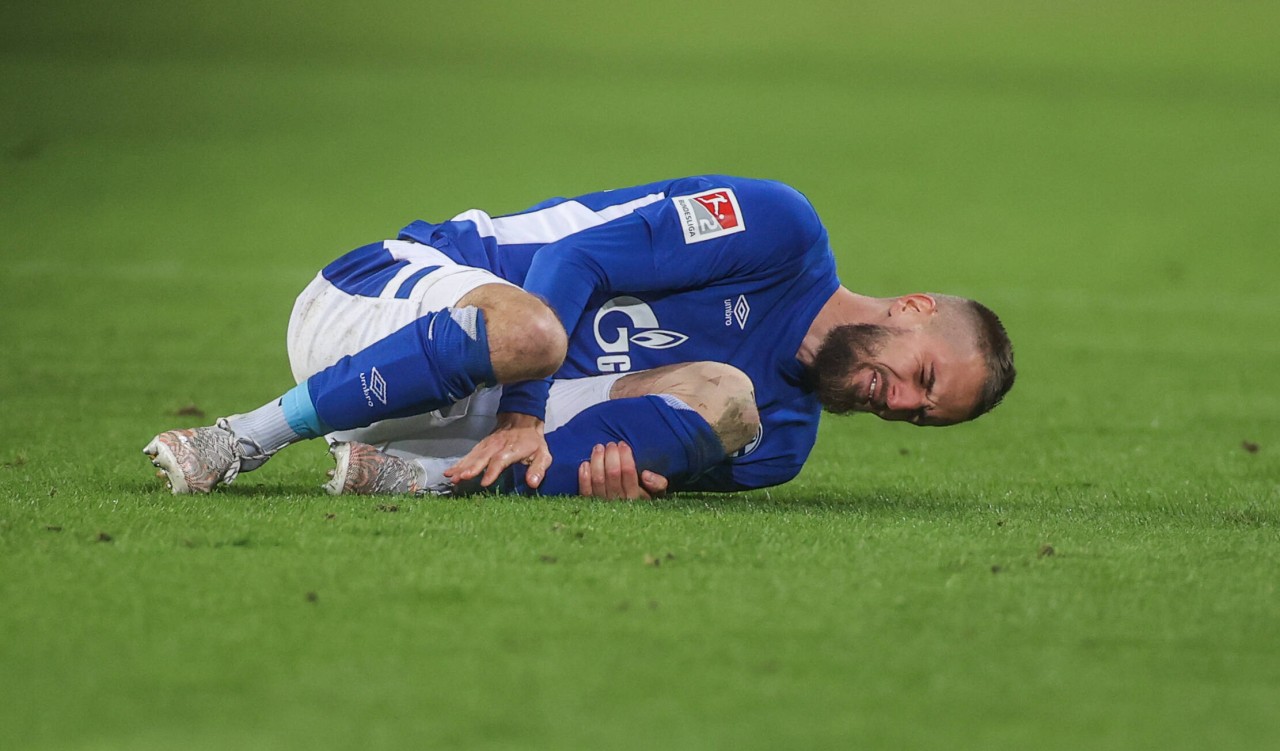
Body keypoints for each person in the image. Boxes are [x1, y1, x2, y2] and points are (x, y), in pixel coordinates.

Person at [144, 175, 1015, 497]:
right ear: (910, 309)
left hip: (428, 424)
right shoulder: (779, 229)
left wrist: (611, 476)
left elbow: (621, 461)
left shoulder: (779, 443)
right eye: (921, 377)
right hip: (381, 307)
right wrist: (525, 409)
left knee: (725, 401)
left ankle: (419, 480)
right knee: (534, 332)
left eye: (918, 416)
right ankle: (241, 438)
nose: (898, 402)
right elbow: (573, 258)